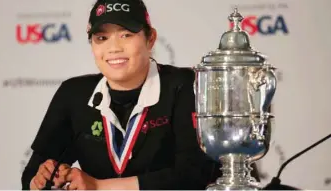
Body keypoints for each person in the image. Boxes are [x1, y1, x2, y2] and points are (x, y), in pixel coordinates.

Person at [21, 0, 259, 190]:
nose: (113, 48)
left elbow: (195, 176)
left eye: (126, 34)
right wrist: (43, 179)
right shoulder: (73, 94)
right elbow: (32, 174)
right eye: (101, 38)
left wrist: (99, 187)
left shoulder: (184, 85)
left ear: (150, 38)